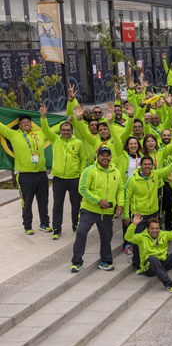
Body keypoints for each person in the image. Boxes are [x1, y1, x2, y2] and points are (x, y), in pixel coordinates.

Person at [71, 147, 124, 273]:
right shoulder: (89, 171)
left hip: (107, 212)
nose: (105, 158)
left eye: (108, 155)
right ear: (97, 156)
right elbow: (82, 189)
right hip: (89, 210)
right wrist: (98, 200)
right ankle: (76, 262)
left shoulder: (115, 172)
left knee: (106, 237)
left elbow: (121, 189)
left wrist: (120, 205)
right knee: (81, 233)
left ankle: (106, 261)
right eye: (102, 155)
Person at [40, 106, 87, 239]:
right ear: (60, 131)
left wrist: (81, 174)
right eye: (63, 130)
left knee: (76, 205)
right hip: (59, 179)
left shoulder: (77, 142)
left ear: (72, 131)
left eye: (68, 130)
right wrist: (43, 117)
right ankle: (56, 229)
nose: (66, 132)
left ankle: (75, 225)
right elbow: (45, 130)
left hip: (74, 179)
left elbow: (83, 159)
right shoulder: (55, 140)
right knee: (57, 205)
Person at [125, 213, 172, 293]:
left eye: (157, 228)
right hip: (149, 267)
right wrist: (134, 224)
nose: (155, 231)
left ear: (159, 228)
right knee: (152, 258)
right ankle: (169, 284)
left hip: (162, 262)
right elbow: (128, 237)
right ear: (148, 228)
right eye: (152, 228)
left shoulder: (164, 234)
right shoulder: (141, 237)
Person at [0, 112, 50, 235]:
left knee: (43, 201)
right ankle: (27, 226)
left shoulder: (40, 134)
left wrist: (69, 119)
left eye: (28, 122)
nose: (27, 124)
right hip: (25, 175)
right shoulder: (13, 135)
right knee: (27, 202)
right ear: (20, 126)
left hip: (41, 173)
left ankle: (45, 224)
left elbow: (53, 129)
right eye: (24, 123)